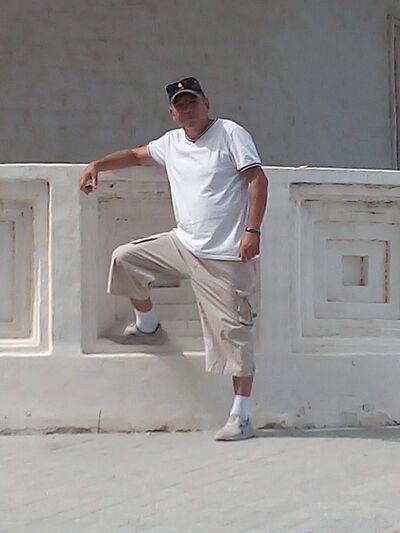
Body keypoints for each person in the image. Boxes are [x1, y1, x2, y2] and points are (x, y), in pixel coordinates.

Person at [79, 77, 268, 441]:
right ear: (172, 112)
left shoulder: (230, 133)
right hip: (182, 244)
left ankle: (241, 416)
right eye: (180, 105)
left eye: (192, 101)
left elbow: (257, 180)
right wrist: (96, 165)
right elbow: (136, 155)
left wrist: (252, 231)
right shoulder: (171, 143)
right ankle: (147, 324)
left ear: (206, 102)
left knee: (235, 334)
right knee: (125, 259)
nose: (188, 109)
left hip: (225, 254)